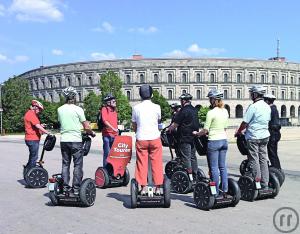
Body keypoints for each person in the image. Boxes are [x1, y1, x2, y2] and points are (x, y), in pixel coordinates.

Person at [57, 86, 94, 194]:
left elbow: (62, 123)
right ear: (74, 97)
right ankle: (76, 189)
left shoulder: (60, 109)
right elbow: (86, 126)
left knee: (65, 164)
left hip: (64, 140)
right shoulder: (78, 109)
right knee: (77, 165)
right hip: (75, 140)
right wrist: (91, 133)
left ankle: (65, 188)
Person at [193, 90, 229, 197]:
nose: (209, 100)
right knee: (222, 167)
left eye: (210, 99)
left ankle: (215, 192)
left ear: (214, 100)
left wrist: (197, 134)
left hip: (213, 141)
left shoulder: (211, 113)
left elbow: (205, 130)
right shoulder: (225, 111)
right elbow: (225, 128)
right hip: (224, 141)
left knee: (213, 168)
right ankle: (225, 190)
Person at [235, 85, 271, 189]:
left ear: (255, 94)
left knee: (254, 159)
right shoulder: (267, 106)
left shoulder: (253, 107)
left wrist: (239, 131)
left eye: (252, 93)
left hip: (254, 136)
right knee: (263, 159)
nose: (251, 95)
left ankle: (257, 181)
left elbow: (245, 122)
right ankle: (265, 183)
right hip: (265, 136)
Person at [132, 84, 164, 195]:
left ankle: (144, 187)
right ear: (152, 94)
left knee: (141, 163)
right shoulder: (157, 107)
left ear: (140, 95)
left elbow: (134, 125)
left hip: (142, 139)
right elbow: (159, 122)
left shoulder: (136, 108)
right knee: (157, 162)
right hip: (154, 138)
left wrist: (138, 131)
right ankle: (158, 187)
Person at [168, 93, 200, 182]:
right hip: (194, 137)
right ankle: (195, 175)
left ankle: (189, 177)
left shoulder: (183, 110)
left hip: (184, 137)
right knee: (193, 157)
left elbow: (175, 123)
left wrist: (169, 129)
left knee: (186, 157)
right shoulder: (194, 109)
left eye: (181, 100)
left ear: (183, 101)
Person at [24, 100, 50, 169]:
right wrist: (47, 132)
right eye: (39, 109)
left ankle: (27, 169)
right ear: (35, 107)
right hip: (32, 139)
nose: (40, 111)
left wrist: (41, 125)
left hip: (31, 139)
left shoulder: (30, 114)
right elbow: (37, 126)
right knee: (34, 157)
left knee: (32, 156)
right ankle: (31, 171)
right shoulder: (31, 114)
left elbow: (34, 125)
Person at [264, 94, 282, 170]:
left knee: (272, 152)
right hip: (276, 133)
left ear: (267, 101)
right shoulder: (275, 108)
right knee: (273, 152)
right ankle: (276, 167)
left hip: (272, 133)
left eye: (265, 100)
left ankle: (276, 168)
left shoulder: (270, 109)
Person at [101, 94, 118, 167]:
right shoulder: (104, 109)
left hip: (115, 136)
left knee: (114, 154)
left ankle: (113, 169)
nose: (115, 102)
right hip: (107, 136)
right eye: (113, 101)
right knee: (107, 154)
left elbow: (115, 122)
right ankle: (106, 171)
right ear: (108, 103)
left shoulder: (114, 111)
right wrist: (113, 128)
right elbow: (105, 121)